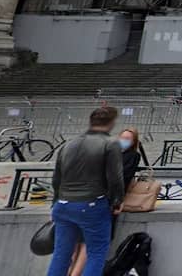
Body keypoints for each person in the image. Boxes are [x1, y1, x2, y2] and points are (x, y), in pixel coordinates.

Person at [46, 106, 125, 276]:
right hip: (91, 203)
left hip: (63, 204)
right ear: (111, 123)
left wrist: (55, 203)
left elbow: (56, 178)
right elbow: (115, 178)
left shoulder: (69, 144)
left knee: (61, 254)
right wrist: (117, 201)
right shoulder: (110, 144)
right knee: (96, 252)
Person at [68, 126, 148, 275]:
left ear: (133, 142)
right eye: (122, 137)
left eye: (128, 139)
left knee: (90, 242)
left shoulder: (132, 156)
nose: (123, 141)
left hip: (107, 201)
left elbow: (122, 178)